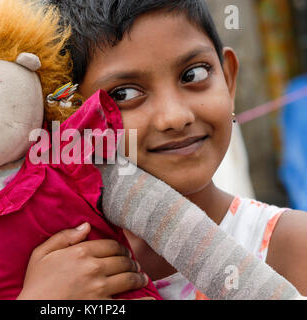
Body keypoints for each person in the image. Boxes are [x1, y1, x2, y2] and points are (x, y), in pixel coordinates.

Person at [23, 0, 307, 299]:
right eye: (125, 94)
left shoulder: (288, 245)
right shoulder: (53, 269)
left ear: (228, 79)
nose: (175, 117)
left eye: (193, 74)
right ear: (70, 118)